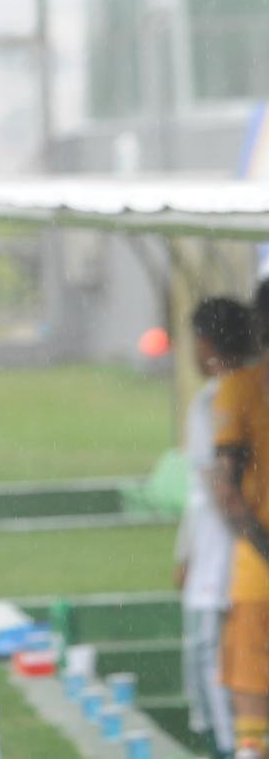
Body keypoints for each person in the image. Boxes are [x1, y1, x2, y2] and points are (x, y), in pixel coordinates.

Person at [176, 297, 255, 759]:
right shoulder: (244, 391)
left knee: (215, 657)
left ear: (206, 343)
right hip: (221, 552)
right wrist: (185, 552)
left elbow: (219, 487)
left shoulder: (217, 399)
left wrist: (253, 542)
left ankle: (228, 746)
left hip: (228, 557)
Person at [214, 280, 269, 759]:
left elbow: (226, 487)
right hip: (259, 555)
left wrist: (261, 542)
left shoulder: (241, 389)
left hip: (260, 558)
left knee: (251, 673)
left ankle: (251, 747)